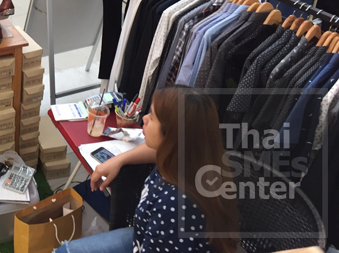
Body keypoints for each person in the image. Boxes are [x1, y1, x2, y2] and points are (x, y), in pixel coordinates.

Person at [54, 87, 239, 253]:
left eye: (152, 117)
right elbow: (154, 150)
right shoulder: (187, 159)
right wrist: (118, 160)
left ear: (170, 136)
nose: (144, 118)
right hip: (142, 236)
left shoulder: (174, 207)